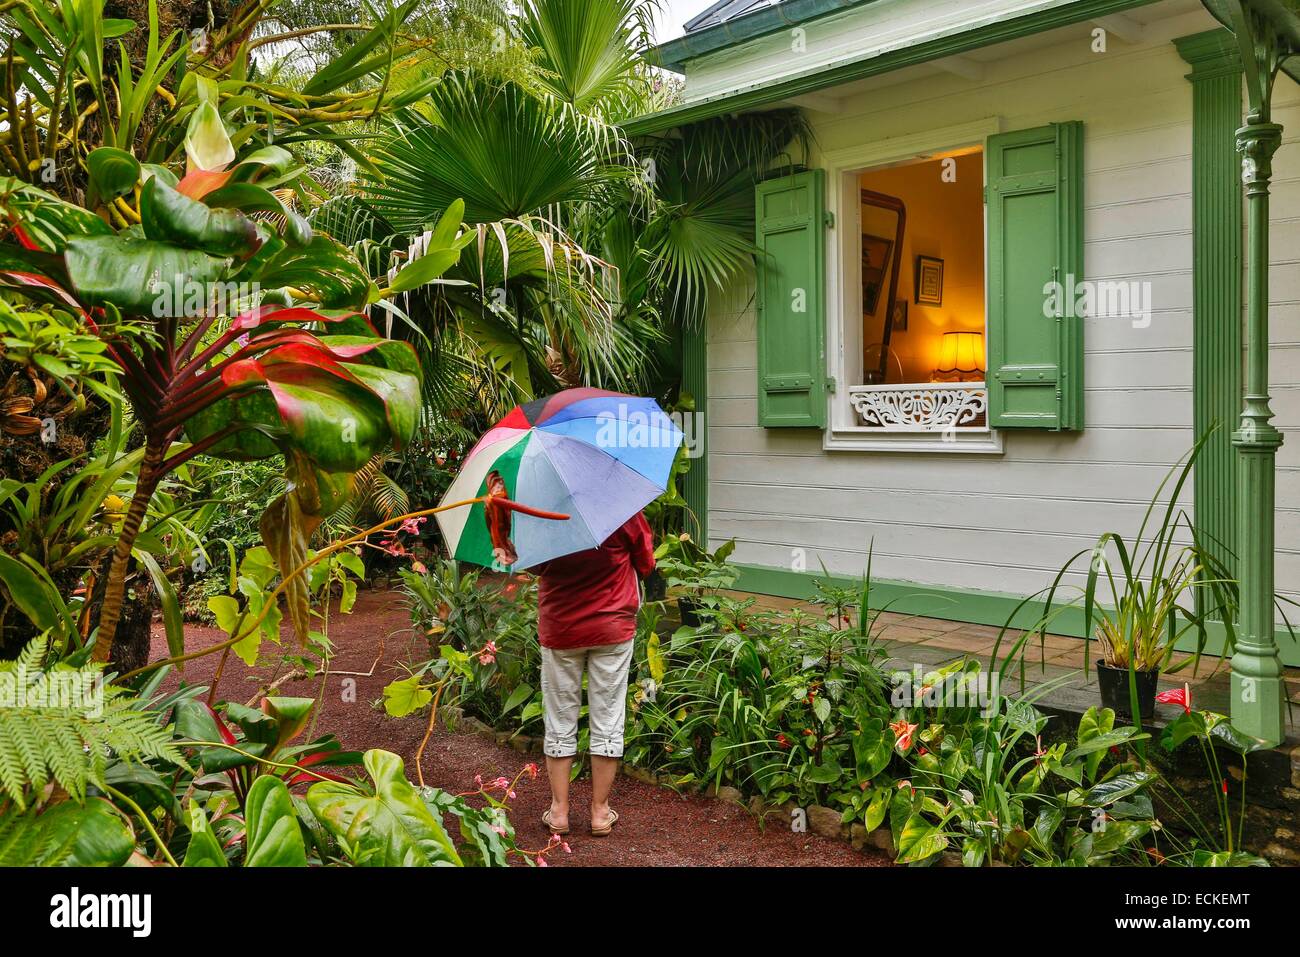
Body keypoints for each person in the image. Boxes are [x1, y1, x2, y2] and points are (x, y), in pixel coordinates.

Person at [526, 512, 658, 837]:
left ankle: (559, 811)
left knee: (559, 717)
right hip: (611, 628)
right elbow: (645, 560)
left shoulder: (542, 508)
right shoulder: (619, 504)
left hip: (561, 628)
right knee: (609, 716)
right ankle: (600, 812)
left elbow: (532, 563)